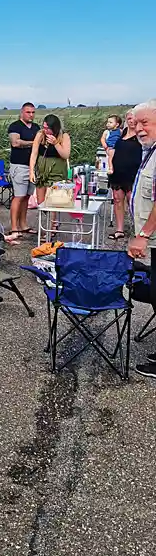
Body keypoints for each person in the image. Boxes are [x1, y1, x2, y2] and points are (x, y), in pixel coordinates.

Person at [127, 100, 156, 380]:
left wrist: (143, 235)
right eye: (136, 123)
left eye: (145, 122)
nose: (139, 128)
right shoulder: (150, 151)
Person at [108, 110, 142, 241]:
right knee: (117, 200)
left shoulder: (141, 135)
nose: (131, 121)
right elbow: (113, 149)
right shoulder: (122, 134)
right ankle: (119, 230)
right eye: (129, 118)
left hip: (133, 173)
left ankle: (139, 230)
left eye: (133, 118)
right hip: (118, 172)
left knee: (132, 201)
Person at [7, 102, 39, 238]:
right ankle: (14, 228)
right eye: (28, 112)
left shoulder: (36, 127)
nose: (31, 115)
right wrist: (34, 143)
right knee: (18, 197)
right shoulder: (15, 126)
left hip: (32, 167)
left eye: (32, 112)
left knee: (26, 197)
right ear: (22, 112)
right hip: (19, 166)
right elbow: (15, 142)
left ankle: (23, 225)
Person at [29, 115, 71, 204]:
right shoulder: (40, 134)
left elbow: (65, 155)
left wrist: (56, 143)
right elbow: (34, 153)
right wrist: (31, 171)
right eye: (44, 127)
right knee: (41, 202)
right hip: (42, 173)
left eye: (48, 128)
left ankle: (53, 218)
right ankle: (44, 217)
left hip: (56, 173)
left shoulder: (64, 136)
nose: (45, 130)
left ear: (55, 128)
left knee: (54, 201)